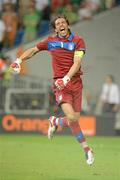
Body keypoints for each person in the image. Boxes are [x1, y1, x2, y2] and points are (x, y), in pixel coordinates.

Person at [10, 14, 94, 165]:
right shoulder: (50, 41)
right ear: (55, 29)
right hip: (60, 85)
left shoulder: (78, 41)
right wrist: (18, 60)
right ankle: (87, 149)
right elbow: (33, 50)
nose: (61, 25)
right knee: (72, 118)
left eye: (63, 22)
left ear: (68, 25)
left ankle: (54, 120)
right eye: (58, 23)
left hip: (75, 83)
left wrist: (66, 78)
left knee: (74, 118)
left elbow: (77, 62)